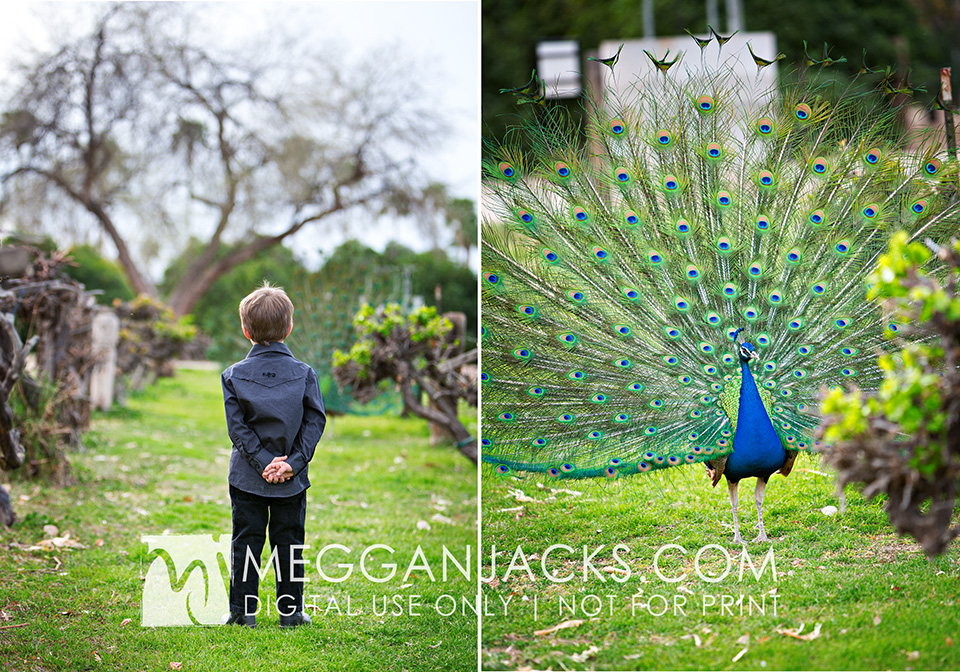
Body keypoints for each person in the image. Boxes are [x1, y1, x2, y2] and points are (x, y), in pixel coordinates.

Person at [220, 282, 326, 628]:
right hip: (291, 482)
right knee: (290, 543)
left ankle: (242, 613)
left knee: (246, 542)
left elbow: (238, 430)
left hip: (248, 478)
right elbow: (315, 422)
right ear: (290, 328)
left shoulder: (233, 376)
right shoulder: (305, 374)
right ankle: (291, 613)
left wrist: (264, 462)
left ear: (245, 330)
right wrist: (291, 464)